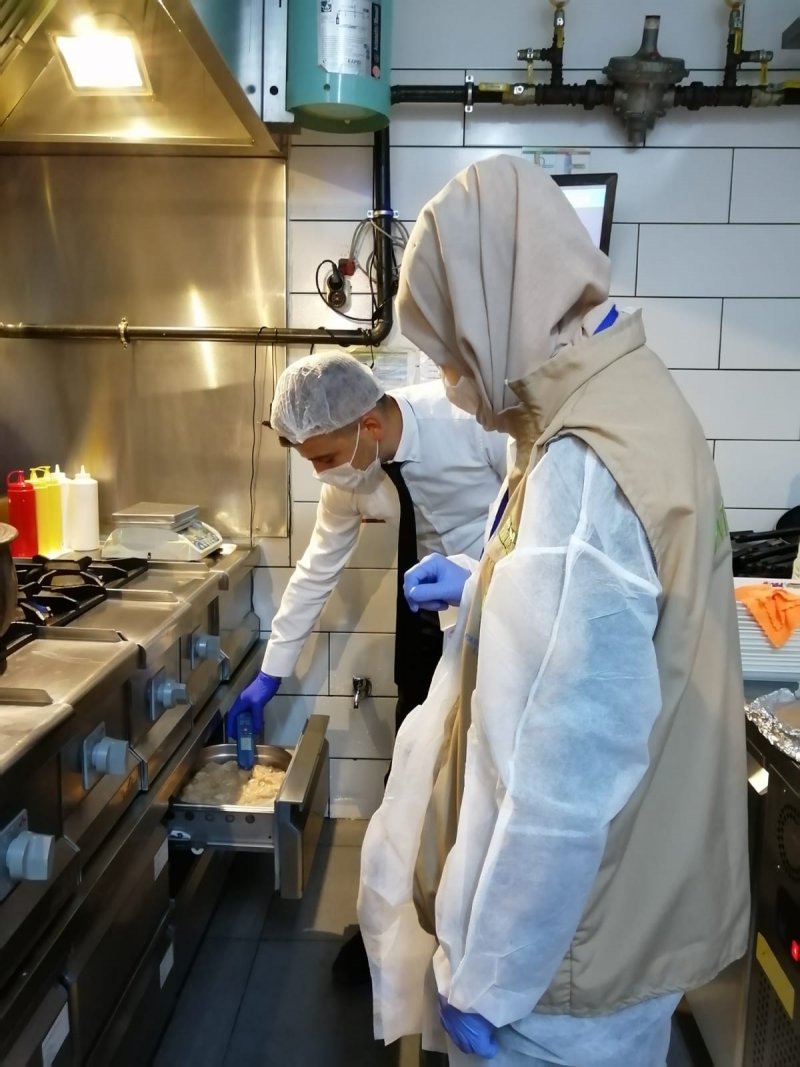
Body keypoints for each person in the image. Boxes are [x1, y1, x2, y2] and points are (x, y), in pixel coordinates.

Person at [357, 155, 750, 1067]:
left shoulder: (584, 465)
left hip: (560, 978)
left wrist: (488, 981)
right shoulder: (633, 399)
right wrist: (488, 583)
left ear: (496, 307)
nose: (451, 380)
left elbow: (559, 791)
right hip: (619, 927)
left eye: (453, 348)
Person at [227, 352, 507, 982]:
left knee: (478, 775)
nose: (322, 472)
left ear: (370, 427)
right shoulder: (351, 478)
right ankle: (392, 927)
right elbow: (315, 572)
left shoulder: (467, 422)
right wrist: (272, 672)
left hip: (498, 619)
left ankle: (467, 933)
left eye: (325, 457)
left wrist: (479, 579)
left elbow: (528, 514)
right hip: (426, 624)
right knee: (411, 767)